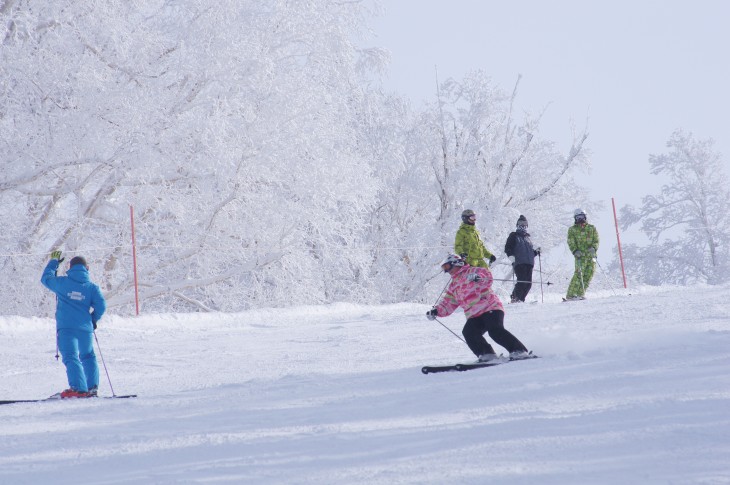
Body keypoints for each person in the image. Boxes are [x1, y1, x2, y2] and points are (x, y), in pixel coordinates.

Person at [426, 254, 530, 362]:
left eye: (447, 267)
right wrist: (436, 311)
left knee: (494, 330)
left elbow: (487, 277)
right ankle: (487, 354)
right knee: (469, 332)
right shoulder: (453, 285)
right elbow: (449, 303)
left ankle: (519, 351)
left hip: (490, 308)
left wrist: (478, 278)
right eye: (444, 269)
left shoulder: (473, 271)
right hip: (474, 315)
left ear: (456, 263)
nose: (446, 271)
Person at [41, 251, 106, 398]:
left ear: (70, 268)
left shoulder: (62, 283)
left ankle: (78, 389)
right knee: (88, 356)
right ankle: (92, 388)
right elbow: (101, 306)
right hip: (85, 329)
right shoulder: (92, 288)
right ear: (86, 269)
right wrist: (93, 319)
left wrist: (54, 262)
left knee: (71, 357)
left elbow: (46, 279)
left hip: (67, 328)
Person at [504, 215, 541, 303]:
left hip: (529, 263)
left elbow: (530, 253)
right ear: (517, 225)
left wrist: (536, 252)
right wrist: (511, 256)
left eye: (524, 224)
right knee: (522, 281)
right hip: (519, 262)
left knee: (528, 284)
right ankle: (515, 298)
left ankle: (521, 299)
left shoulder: (527, 239)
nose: (523, 226)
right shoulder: (514, 235)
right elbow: (508, 247)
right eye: (520, 223)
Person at [565, 209, 600, 300]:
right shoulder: (572, 230)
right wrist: (575, 250)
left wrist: (594, 248)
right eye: (578, 217)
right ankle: (571, 294)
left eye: (582, 217)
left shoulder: (591, 228)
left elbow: (596, 240)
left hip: (590, 256)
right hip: (580, 256)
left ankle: (580, 293)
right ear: (575, 219)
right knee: (579, 274)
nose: (580, 219)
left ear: (585, 217)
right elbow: (571, 241)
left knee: (588, 275)